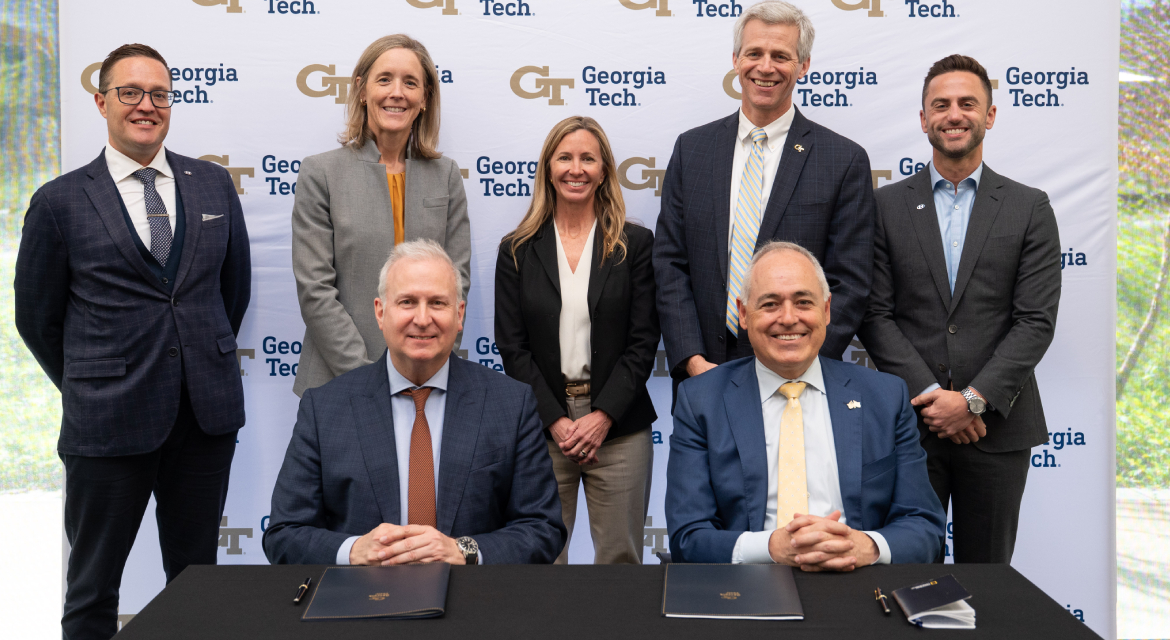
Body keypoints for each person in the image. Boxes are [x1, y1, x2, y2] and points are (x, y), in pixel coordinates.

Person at [14, 44, 250, 640]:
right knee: (92, 589)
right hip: (107, 422)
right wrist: (94, 380)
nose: (147, 105)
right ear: (102, 102)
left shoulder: (213, 185)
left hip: (204, 417)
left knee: (197, 585)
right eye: (131, 92)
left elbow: (233, 293)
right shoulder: (60, 201)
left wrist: (191, 361)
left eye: (160, 94)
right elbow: (37, 319)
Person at [857, 55, 1061, 564]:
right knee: (907, 576)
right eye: (941, 104)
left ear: (989, 115)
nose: (954, 114)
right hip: (910, 426)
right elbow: (874, 315)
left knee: (987, 581)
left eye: (967, 103)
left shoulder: (1029, 207)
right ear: (923, 118)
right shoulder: (884, 206)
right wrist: (934, 398)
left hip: (998, 429)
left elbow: (1035, 321)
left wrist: (972, 400)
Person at [264, 240, 565, 566]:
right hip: (361, 594)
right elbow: (284, 533)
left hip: (473, 593)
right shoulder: (324, 409)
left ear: (459, 314)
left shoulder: (511, 405)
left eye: (437, 303)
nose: (422, 319)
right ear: (380, 312)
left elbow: (543, 528)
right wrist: (354, 551)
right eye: (407, 302)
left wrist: (463, 551)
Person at [665, 242, 944, 567]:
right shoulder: (701, 400)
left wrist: (864, 546)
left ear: (826, 310)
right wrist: (771, 547)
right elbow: (689, 537)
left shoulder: (885, 396)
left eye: (803, 302)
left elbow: (924, 525)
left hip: (858, 581)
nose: (788, 318)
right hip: (748, 585)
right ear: (742, 313)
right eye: (770, 304)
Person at [654, 0, 874, 395]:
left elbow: (850, 282)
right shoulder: (692, 150)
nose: (765, 67)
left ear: (803, 65)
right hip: (703, 376)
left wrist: (796, 361)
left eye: (781, 56)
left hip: (797, 380)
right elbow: (670, 263)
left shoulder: (843, 160)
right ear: (736, 60)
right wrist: (692, 360)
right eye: (754, 53)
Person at [495, 117, 660, 564]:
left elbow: (643, 342)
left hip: (619, 430)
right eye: (565, 158)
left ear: (604, 170)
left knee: (622, 563)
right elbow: (512, 347)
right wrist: (555, 420)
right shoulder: (517, 249)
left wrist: (602, 416)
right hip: (543, 432)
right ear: (548, 168)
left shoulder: (635, 244)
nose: (576, 168)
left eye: (588, 158)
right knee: (542, 565)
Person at [292, 34, 470, 397]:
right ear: (362, 89)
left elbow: (457, 283)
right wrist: (366, 377)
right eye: (384, 79)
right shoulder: (321, 173)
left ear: (425, 98)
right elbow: (315, 290)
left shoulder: (447, 176)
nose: (397, 93)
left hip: (425, 380)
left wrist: (426, 363)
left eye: (410, 83)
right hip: (337, 382)